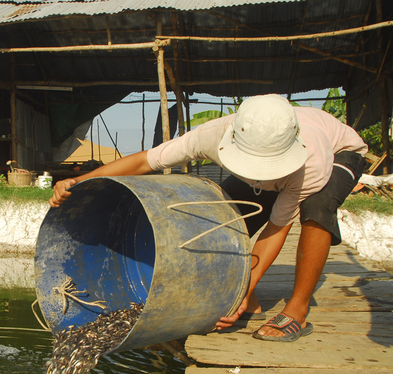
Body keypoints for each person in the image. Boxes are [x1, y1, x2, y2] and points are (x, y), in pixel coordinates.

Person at [49, 94, 368, 343]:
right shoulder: (213, 134)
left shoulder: (310, 162)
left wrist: (243, 286)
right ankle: (249, 301)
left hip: (342, 153)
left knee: (318, 207)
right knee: (223, 214)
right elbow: (145, 162)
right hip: (279, 165)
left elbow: (277, 227)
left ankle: (297, 308)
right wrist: (81, 182)